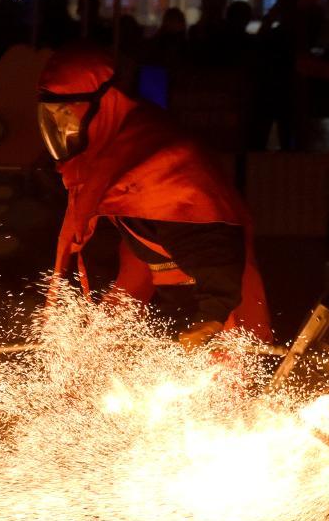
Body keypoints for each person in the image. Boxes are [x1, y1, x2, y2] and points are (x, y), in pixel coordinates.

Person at [35, 45, 272, 348]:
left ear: (101, 107)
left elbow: (212, 239)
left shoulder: (159, 159)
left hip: (216, 300)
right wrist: (104, 331)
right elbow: (133, 257)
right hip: (167, 287)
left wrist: (211, 314)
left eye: (67, 113)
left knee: (220, 376)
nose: (63, 127)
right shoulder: (110, 156)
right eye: (54, 117)